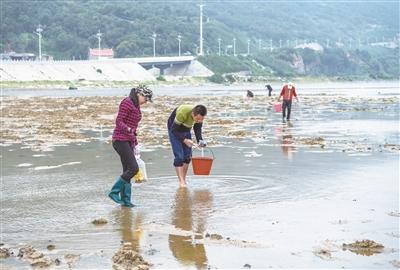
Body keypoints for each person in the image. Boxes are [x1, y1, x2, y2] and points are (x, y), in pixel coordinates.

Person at [108, 85, 153, 207]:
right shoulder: (127, 102)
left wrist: (135, 142)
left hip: (128, 140)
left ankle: (126, 201)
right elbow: (119, 121)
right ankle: (114, 192)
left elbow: (133, 127)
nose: (146, 102)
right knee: (133, 168)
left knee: (127, 170)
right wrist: (128, 129)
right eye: (146, 98)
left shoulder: (136, 105)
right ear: (140, 94)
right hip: (120, 140)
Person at [167, 104, 207, 187]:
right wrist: (184, 140)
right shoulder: (183, 112)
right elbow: (174, 130)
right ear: (193, 114)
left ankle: (184, 179)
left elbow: (197, 128)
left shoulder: (200, 117)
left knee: (187, 157)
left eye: (201, 119)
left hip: (186, 129)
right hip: (174, 129)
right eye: (198, 119)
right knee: (179, 157)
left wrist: (200, 141)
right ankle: (181, 182)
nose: (199, 121)